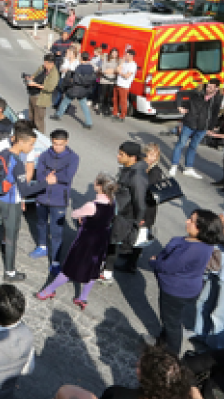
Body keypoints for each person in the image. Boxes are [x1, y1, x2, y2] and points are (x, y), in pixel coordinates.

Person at [0, 125, 56, 281]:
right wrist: (46, 182)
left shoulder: (2, 153)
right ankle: (10, 273)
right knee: (11, 238)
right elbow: (25, 191)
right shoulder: (18, 163)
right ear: (20, 142)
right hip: (11, 203)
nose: (31, 147)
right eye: (31, 144)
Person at [36, 173, 117, 309]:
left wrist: (82, 217)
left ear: (100, 186)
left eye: (95, 182)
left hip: (86, 241)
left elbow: (75, 214)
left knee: (69, 268)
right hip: (101, 240)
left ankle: (47, 291)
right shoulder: (112, 203)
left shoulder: (92, 205)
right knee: (93, 270)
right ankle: (83, 298)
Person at [149, 209, 222, 355]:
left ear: (201, 228)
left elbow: (168, 267)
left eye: (192, 221)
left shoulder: (192, 248)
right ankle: (161, 343)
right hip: (189, 289)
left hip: (175, 291)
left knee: (172, 324)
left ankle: (171, 357)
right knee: (172, 319)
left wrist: (154, 262)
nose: (187, 221)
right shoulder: (205, 244)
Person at [30, 130, 80, 274]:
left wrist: (52, 176)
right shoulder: (45, 155)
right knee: (40, 223)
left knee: (57, 231)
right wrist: (49, 178)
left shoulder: (73, 157)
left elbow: (68, 176)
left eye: (60, 144)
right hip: (42, 196)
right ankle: (42, 247)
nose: (57, 147)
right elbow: (39, 174)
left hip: (59, 199)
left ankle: (56, 261)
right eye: (55, 144)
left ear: (66, 142)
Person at [101, 141, 149, 281]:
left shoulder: (137, 176)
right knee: (110, 241)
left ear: (132, 157)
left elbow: (140, 202)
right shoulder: (129, 169)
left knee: (113, 242)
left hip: (124, 217)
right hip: (117, 213)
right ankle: (105, 269)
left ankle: (107, 272)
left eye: (121, 154)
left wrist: (137, 224)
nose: (118, 156)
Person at [170, 78, 222, 179]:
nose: (208, 88)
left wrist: (211, 127)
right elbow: (179, 94)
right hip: (190, 123)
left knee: (193, 147)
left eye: (211, 87)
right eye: (208, 86)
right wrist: (179, 107)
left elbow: (215, 113)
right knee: (180, 144)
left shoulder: (218, 97)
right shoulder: (197, 92)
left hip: (202, 127)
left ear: (216, 88)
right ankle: (174, 166)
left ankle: (188, 168)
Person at [51, 51, 95, 129]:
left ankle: (58, 115)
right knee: (84, 106)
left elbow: (75, 79)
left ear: (81, 58)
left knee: (65, 101)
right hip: (84, 89)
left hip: (75, 89)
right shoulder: (90, 67)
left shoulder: (79, 67)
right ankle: (89, 122)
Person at [25, 54, 59, 133]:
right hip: (33, 95)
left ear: (52, 63)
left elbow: (49, 88)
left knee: (39, 120)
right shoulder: (42, 68)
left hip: (41, 99)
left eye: (46, 63)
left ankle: (41, 136)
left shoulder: (54, 74)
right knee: (31, 117)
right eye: (44, 62)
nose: (44, 64)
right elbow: (35, 74)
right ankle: (32, 133)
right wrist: (30, 78)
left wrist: (35, 84)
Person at [112, 48, 138, 121]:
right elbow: (117, 69)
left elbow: (127, 76)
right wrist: (121, 63)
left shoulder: (133, 65)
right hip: (118, 83)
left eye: (127, 55)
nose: (125, 56)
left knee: (123, 101)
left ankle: (122, 115)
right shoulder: (124, 62)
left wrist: (120, 72)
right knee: (115, 99)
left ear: (131, 56)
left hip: (124, 85)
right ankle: (115, 113)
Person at [95, 47, 119, 117]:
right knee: (102, 95)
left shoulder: (118, 61)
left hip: (112, 81)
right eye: (113, 53)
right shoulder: (106, 59)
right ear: (111, 53)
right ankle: (99, 108)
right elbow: (103, 70)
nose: (114, 54)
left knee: (109, 96)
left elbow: (118, 71)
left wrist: (111, 71)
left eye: (116, 53)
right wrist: (113, 71)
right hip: (105, 80)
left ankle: (107, 108)